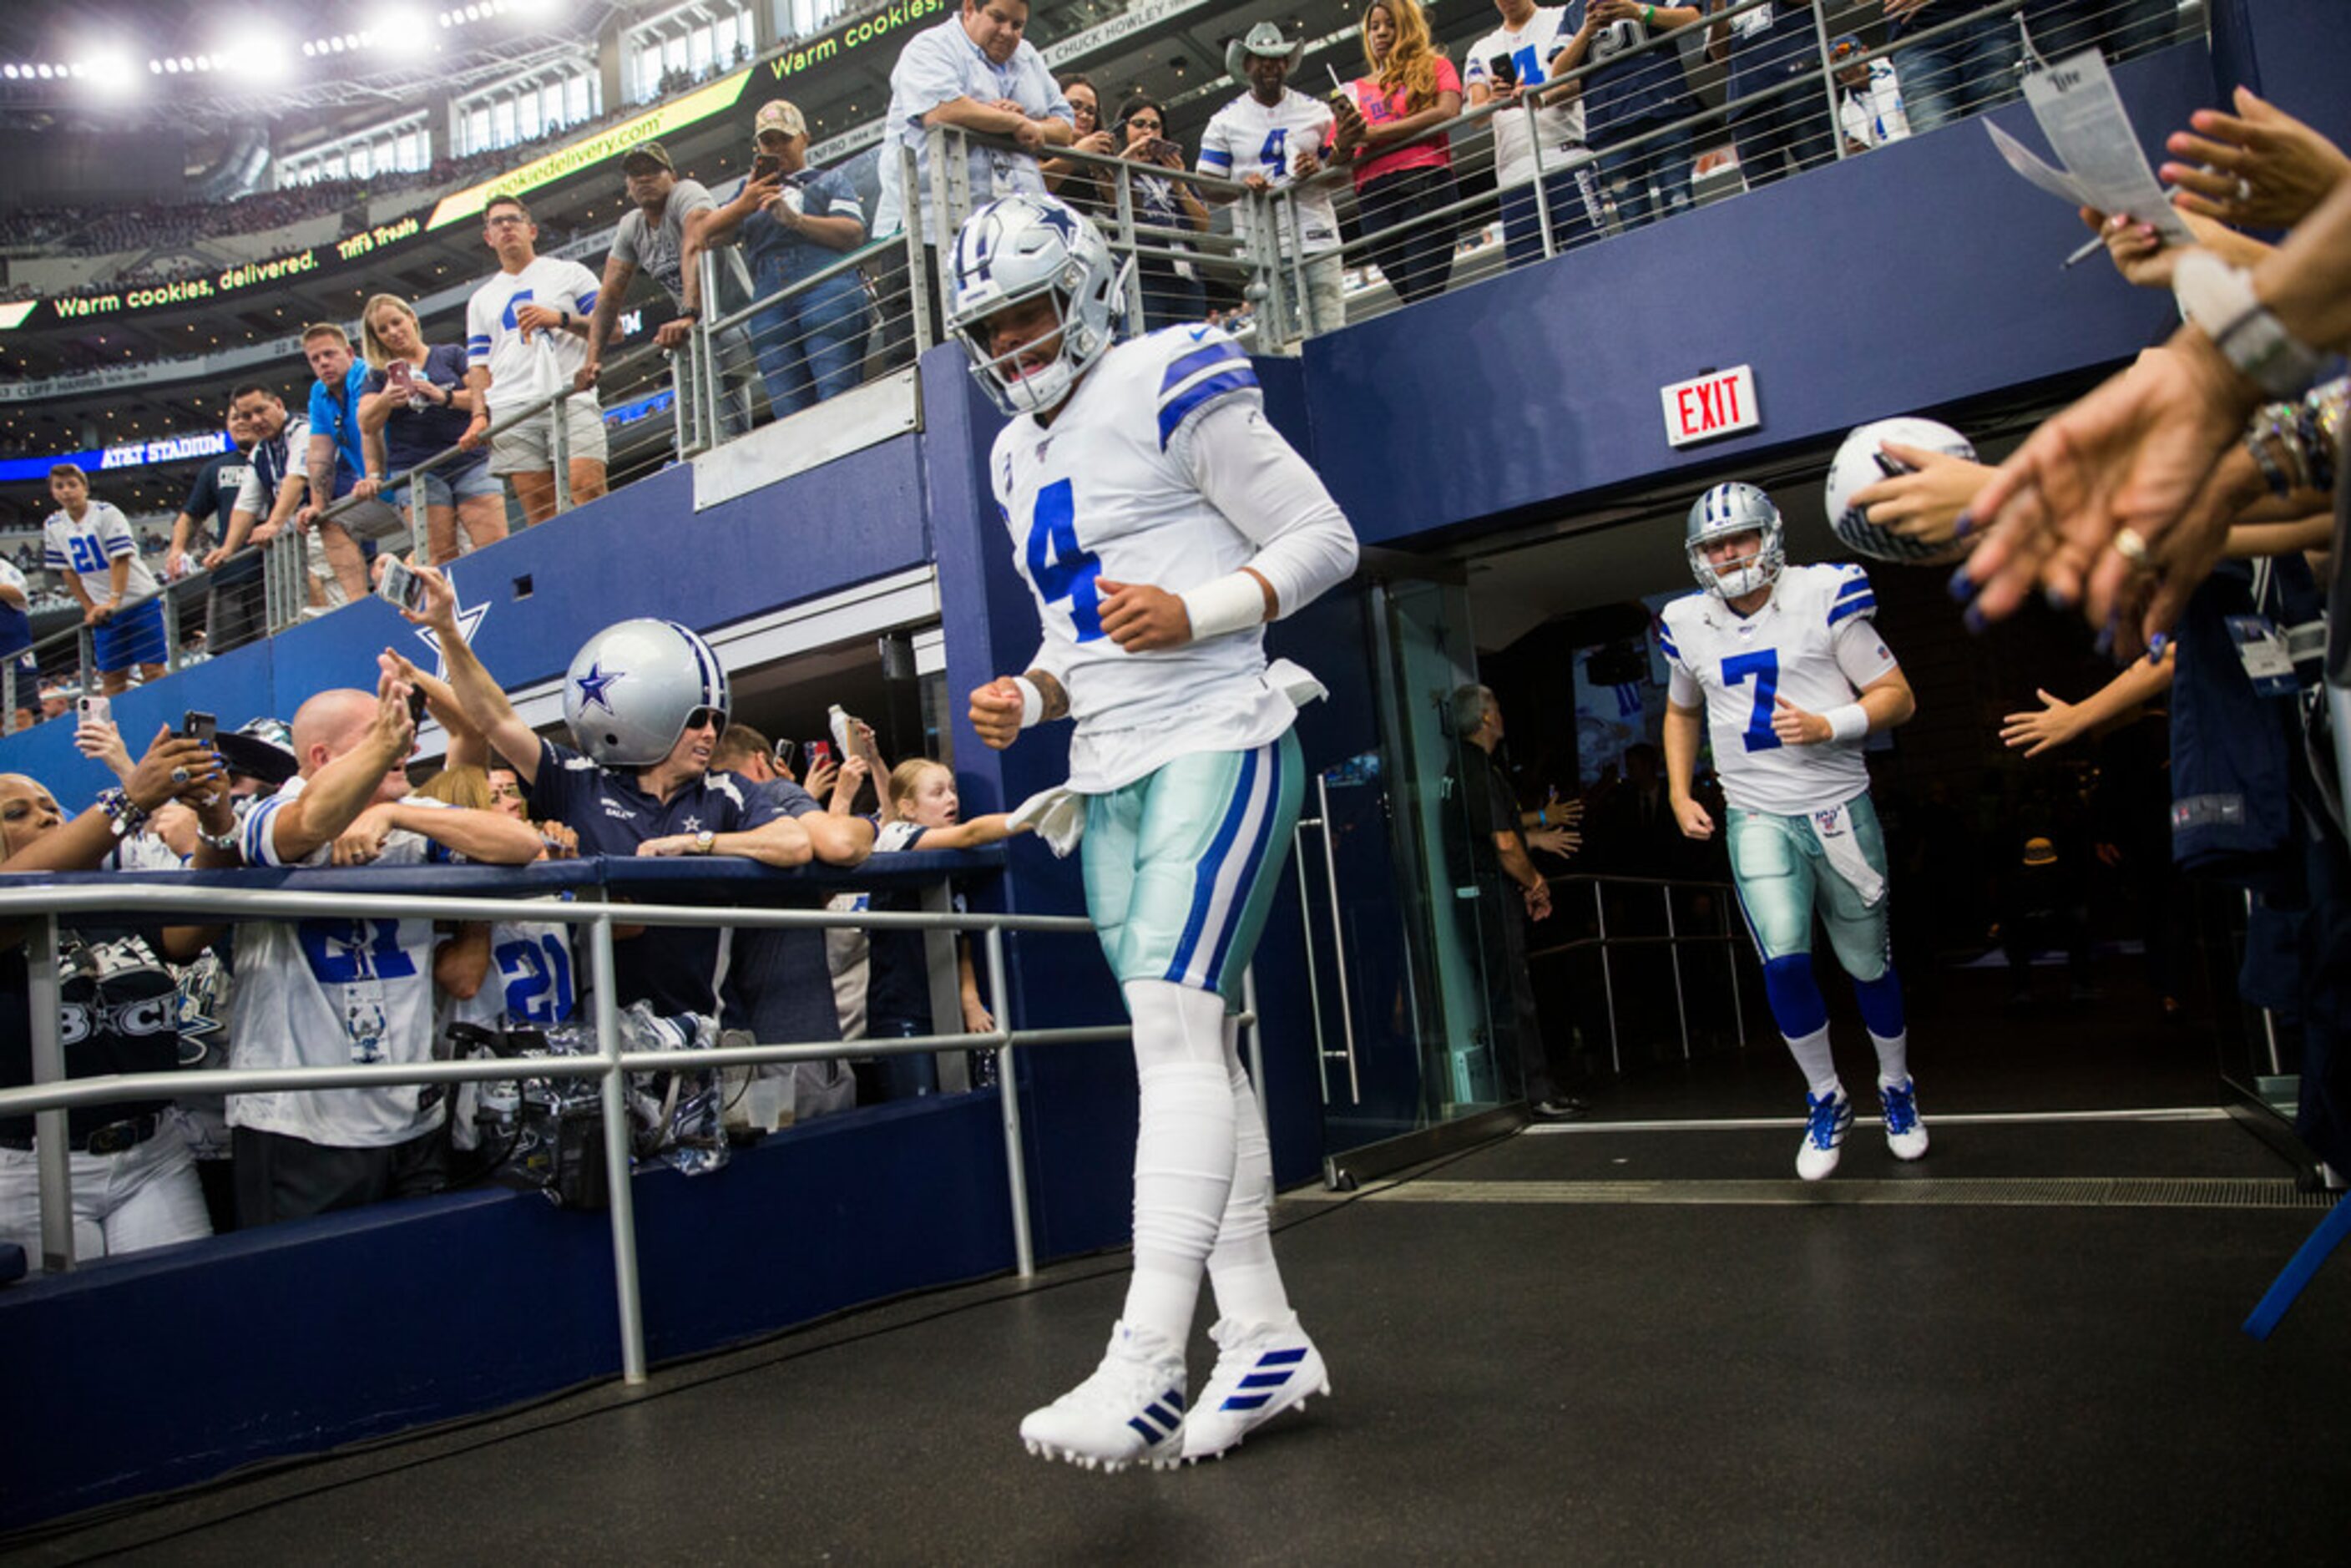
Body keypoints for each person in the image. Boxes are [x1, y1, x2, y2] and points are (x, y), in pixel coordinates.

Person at [953, 194, 1359, 1469]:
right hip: (1111, 760)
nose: (1017, 343)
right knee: (1194, 1051)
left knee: (1180, 1039)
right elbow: (1075, 634)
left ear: (1083, 289)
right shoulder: (1014, 453)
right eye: (992, 324)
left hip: (1216, 731)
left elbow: (1324, 539)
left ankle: (1145, 1359)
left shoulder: (1165, 372)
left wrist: (1195, 612)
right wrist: (1034, 690)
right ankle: (1263, 1334)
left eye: (1029, 311)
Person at [408, 584, 847, 1018]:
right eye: (697, 719)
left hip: (700, 1026)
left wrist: (695, 844)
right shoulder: (579, 781)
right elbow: (494, 718)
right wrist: (448, 631)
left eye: (716, 719)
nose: (711, 733)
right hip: (603, 1033)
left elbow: (795, 843)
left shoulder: (724, 790)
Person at [1661, 481, 1924, 1180]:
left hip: (1840, 806)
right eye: (1714, 545)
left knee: (1868, 964)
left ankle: (1895, 1084)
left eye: (1739, 539)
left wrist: (1826, 725)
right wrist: (1681, 790)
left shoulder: (1824, 595)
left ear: (1770, 538)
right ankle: (1826, 1095)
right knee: (1783, 959)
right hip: (1756, 815)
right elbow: (1682, 712)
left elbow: (1898, 697)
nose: (1727, 554)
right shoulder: (1688, 621)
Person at [223, 667, 544, 1226]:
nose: (407, 744)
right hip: (303, 1124)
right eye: (382, 731)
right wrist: (380, 760)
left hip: (410, 1120)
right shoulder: (270, 809)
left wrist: (394, 812)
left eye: (402, 730)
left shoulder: (408, 814)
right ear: (321, 759)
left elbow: (523, 844)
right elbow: (306, 827)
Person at [0, 733, 230, 1266]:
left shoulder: (105, 897)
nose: (45, 817)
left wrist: (219, 826)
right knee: (66, 1336)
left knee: (177, 1314)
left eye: (52, 808)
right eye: (18, 812)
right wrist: (131, 799)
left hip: (153, 1152)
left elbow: (188, 935)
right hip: (31, 1165)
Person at [871, 0, 1074, 358]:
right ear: (969, 9)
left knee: (1012, 355)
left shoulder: (1028, 57)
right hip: (931, 239)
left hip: (1011, 242)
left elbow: (1065, 127)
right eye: (998, 18)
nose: (1008, 33)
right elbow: (942, 111)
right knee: (936, 365)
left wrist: (1031, 124)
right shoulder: (930, 46)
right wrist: (1014, 124)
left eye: (1018, 25)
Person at [708, 722, 870, 1121]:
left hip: (736, 1041)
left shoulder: (702, 811)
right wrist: (873, 823)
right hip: (799, 1043)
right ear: (764, 762)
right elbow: (841, 844)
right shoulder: (772, 791)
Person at [1447, 683, 1589, 1116]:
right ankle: (1532, 1094)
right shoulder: (1474, 770)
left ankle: (1530, 1088)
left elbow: (1501, 826)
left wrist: (1540, 829)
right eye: (1499, 709)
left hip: (1485, 892)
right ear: (1486, 718)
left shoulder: (1470, 770)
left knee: (1509, 995)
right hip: (1488, 894)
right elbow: (1505, 843)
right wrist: (1535, 882)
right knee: (1512, 997)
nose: (1503, 716)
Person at [861, 756, 1034, 1100]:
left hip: (944, 1006)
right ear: (908, 808)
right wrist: (1037, 815)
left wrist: (969, 998)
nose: (951, 799)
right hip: (901, 1010)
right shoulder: (895, 834)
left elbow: (961, 938)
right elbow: (971, 834)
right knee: (918, 1112)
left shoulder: (952, 862)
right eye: (937, 793)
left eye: (953, 790)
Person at [696, 100, 872, 422]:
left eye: (784, 139)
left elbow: (853, 233)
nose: (777, 148)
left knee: (837, 396)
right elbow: (703, 235)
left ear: (804, 138)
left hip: (826, 290)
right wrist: (745, 203)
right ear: (758, 148)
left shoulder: (829, 180)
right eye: (768, 142)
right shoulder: (747, 193)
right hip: (770, 304)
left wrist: (795, 220)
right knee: (789, 414)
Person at [581, 140, 761, 442]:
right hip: (711, 339)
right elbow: (610, 295)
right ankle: (727, 451)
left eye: (653, 170)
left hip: (745, 324)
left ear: (672, 176)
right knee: (731, 427)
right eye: (635, 174)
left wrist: (689, 314)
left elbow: (694, 242)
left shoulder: (686, 193)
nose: (644, 178)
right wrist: (592, 360)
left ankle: (690, 442)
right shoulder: (632, 226)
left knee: (692, 343)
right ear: (627, 186)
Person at [461, 194, 609, 527]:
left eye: (513, 219)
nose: (506, 226)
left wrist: (559, 318)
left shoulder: (570, 273)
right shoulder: (481, 300)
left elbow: (611, 330)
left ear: (532, 230)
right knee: (540, 514)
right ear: (488, 238)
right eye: (497, 223)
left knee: (588, 490)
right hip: (513, 408)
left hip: (570, 394)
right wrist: (479, 415)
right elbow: (479, 365)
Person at [1199, 23, 1347, 339]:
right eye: (1261, 59)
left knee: (1332, 333)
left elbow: (1344, 173)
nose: (1270, 65)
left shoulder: (1316, 111)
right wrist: (1242, 187)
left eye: (1278, 58)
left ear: (1287, 63)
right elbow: (1206, 185)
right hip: (1263, 245)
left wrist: (1318, 169)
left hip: (1316, 235)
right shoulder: (1224, 121)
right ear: (1246, 64)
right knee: (1279, 339)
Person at [356, 293, 505, 565]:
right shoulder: (377, 376)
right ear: (376, 338)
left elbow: (485, 396)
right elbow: (366, 423)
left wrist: (443, 396)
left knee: (495, 545)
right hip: (418, 472)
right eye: (382, 330)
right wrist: (385, 400)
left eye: (396, 322)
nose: (393, 332)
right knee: (440, 559)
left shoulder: (451, 354)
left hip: (469, 459)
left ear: (411, 319)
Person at [1332, 0, 1463, 306]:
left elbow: (1448, 111)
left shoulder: (1435, 66)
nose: (1381, 33)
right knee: (1414, 302)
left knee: (1422, 298)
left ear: (1407, 26)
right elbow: (1336, 157)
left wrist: (1376, 134)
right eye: (1374, 27)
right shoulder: (1353, 90)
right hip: (1374, 201)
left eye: (1390, 24)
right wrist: (1345, 140)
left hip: (1426, 185)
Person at [1462, 0, 1599, 269]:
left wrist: (1542, 97)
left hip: (1567, 155)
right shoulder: (1481, 49)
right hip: (1515, 173)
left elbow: (1581, 80)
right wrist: (1494, 101)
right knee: (1527, 274)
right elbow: (1474, 116)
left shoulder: (1562, 18)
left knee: (1590, 257)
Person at [1552, 0, 1703, 229]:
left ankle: (1691, 264)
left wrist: (1641, 12)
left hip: (1664, 109)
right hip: (1609, 129)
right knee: (1633, 223)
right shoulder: (1575, 10)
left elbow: (1693, 19)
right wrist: (1586, 32)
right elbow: (1558, 72)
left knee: (1679, 203)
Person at [43, 465, 166, 695]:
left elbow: (120, 558)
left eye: (72, 484)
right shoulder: (53, 525)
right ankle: (114, 728)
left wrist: (114, 599)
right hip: (104, 611)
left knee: (152, 668)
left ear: (85, 488)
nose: (66, 491)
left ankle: (167, 722)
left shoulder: (105, 513)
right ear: (52, 492)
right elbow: (67, 571)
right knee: (112, 676)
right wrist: (89, 607)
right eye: (59, 486)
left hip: (139, 600)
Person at [1709, 0, 1839, 189]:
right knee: (1765, 200)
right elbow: (1720, 55)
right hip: (1746, 101)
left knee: (1825, 177)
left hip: (1799, 82)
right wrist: (1717, 8)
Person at [295, 322, 382, 604]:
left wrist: (373, 473)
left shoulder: (369, 374)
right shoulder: (318, 394)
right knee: (329, 522)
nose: (323, 363)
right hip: (375, 491)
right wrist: (318, 504)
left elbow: (371, 428)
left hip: (405, 477)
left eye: (329, 354)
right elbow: (320, 452)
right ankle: (359, 606)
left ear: (348, 352)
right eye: (315, 359)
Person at [1110, 95, 1212, 329]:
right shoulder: (1113, 166)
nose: (1148, 131)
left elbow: (1203, 224)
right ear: (1122, 129)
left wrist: (1178, 184)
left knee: (1189, 357)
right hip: (1144, 277)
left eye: (1155, 126)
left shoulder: (1171, 169)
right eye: (1139, 124)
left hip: (1187, 276)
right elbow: (1108, 192)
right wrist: (1127, 159)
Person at [1040, 75, 1118, 214]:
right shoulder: (1038, 142)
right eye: (1075, 106)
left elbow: (1125, 209)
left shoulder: (1099, 152)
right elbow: (1035, 186)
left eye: (1091, 111)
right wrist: (1077, 153)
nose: (1084, 116)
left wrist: (1101, 170)